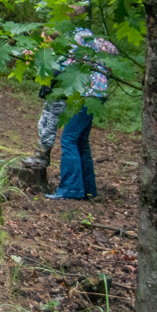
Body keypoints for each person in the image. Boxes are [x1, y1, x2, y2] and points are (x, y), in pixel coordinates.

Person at [45, 27, 117, 201]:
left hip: (85, 94)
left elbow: (62, 66)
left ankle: (71, 189)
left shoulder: (75, 41)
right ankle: (88, 189)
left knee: (69, 139)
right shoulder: (93, 40)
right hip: (98, 94)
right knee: (81, 141)